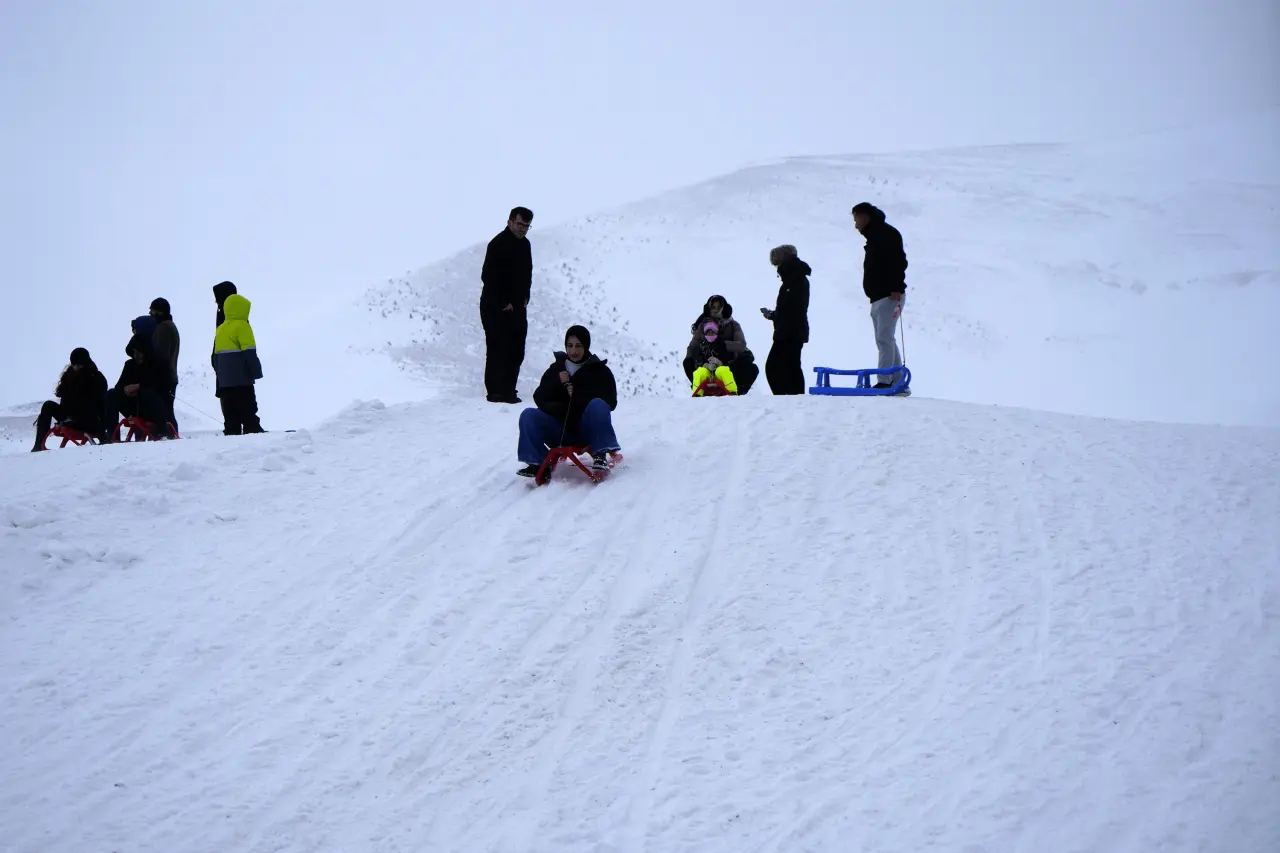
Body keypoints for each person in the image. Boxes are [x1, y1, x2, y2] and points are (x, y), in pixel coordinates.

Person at [516, 325, 620, 477]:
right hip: (560, 430)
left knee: (598, 404)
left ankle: (600, 454)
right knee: (528, 415)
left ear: (586, 346)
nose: (574, 351)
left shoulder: (599, 371)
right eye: (570, 346)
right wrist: (558, 384)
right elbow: (539, 397)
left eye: (578, 346)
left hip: (588, 431)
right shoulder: (556, 368)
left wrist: (580, 393)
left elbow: (610, 402)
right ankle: (538, 463)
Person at [852, 202, 908, 388]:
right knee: (886, 338)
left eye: (856, 219)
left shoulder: (886, 235)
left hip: (889, 294)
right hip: (879, 296)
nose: (856, 225)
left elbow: (898, 262)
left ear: (865, 217)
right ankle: (898, 381)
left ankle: (884, 381)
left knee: (884, 339)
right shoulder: (876, 236)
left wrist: (896, 287)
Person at [480, 206, 533, 403]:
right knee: (497, 348)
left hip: (519, 308)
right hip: (496, 308)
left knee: (517, 349)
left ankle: (509, 390)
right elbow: (488, 276)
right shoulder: (498, 244)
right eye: (520, 224)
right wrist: (504, 302)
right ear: (510, 222)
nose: (523, 229)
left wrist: (525, 298)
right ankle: (495, 391)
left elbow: (527, 274)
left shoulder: (526, 245)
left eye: (527, 226)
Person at [31, 347, 108, 451]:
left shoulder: (96, 377)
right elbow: (63, 399)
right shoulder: (69, 376)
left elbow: (98, 402)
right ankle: (38, 444)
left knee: (85, 408)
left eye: (79, 364)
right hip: (69, 417)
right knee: (48, 405)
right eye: (74, 364)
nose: (76, 367)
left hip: (89, 419)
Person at [104, 332, 176, 440]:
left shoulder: (158, 364)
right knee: (111, 394)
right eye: (134, 352)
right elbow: (120, 386)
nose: (137, 356)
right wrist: (126, 390)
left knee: (147, 393)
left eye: (140, 352)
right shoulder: (130, 365)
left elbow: (163, 385)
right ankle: (112, 437)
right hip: (133, 406)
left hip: (154, 408)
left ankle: (162, 431)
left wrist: (139, 387)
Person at [683, 294, 759, 394]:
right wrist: (698, 361)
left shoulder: (733, 325)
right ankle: (699, 389)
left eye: (719, 307)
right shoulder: (702, 326)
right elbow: (693, 346)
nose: (716, 310)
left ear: (724, 308)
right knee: (687, 362)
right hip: (706, 362)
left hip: (730, 362)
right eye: (713, 307)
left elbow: (741, 345)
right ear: (709, 308)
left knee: (752, 368)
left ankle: (736, 392)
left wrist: (724, 345)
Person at [761, 244, 811, 395]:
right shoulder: (794, 279)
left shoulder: (795, 280)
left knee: (775, 366)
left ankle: (787, 398)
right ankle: (793, 398)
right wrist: (774, 315)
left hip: (789, 332)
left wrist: (780, 318)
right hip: (791, 330)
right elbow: (791, 309)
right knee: (791, 366)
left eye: (777, 263)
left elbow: (794, 309)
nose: (777, 269)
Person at [213, 292, 264, 435]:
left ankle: (231, 436)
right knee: (248, 412)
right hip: (242, 381)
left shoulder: (220, 329)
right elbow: (249, 352)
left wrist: (221, 376)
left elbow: (216, 357)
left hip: (225, 383)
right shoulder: (243, 326)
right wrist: (256, 372)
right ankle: (252, 433)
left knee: (231, 416)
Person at [148, 297, 181, 431]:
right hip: (168, 376)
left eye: (153, 312)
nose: (151, 315)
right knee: (166, 411)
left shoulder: (164, 328)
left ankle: (170, 437)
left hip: (165, 377)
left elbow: (161, 355)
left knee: (165, 412)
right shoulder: (168, 326)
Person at [689, 320, 739, 396]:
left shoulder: (722, 345)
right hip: (708, 373)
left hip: (719, 373)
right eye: (708, 332)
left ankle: (732, 392)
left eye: (712, 332)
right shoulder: (701, 347)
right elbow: (698, 360)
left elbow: (729, 359)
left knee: (723, 370)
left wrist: (720, 363)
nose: (710, 334)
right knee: (699, 372)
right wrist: (706, 365)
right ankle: (697, 395)